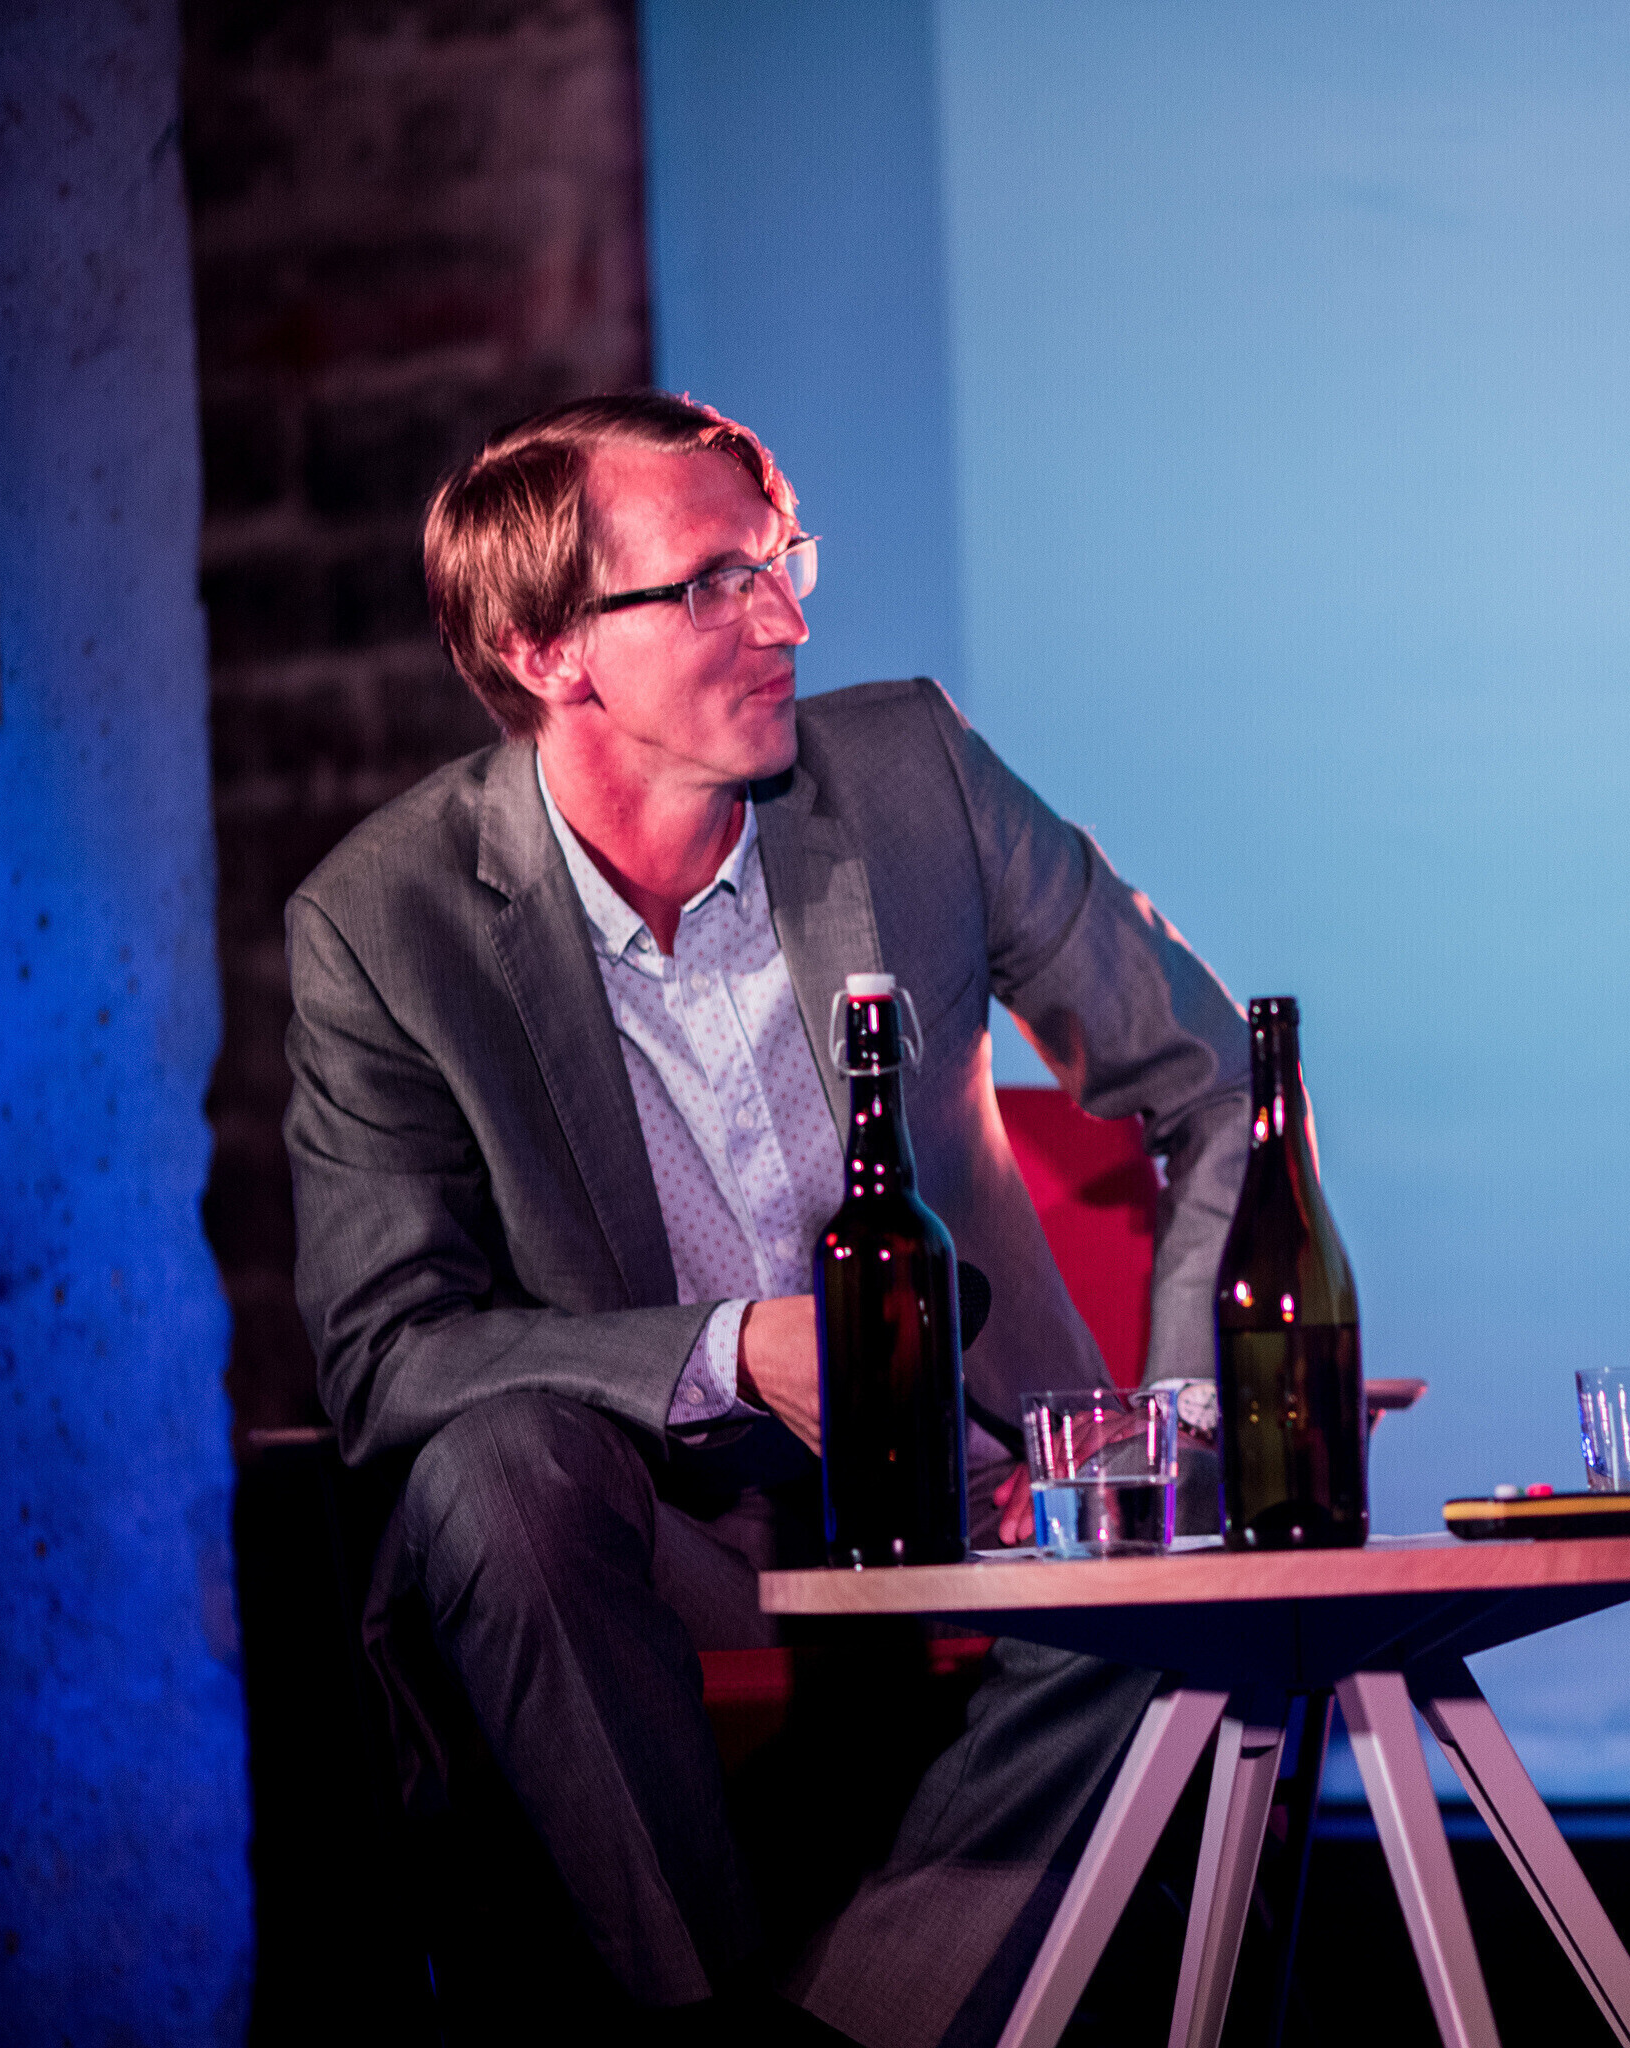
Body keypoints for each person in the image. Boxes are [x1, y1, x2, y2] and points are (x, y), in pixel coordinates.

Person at [284, 391, 1251, 2041]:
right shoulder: (386, 923)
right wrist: (731, 1356)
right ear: (544, 650)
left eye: (782, 560)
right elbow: (387, 1355)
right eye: (711, 585)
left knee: (1149, 1580)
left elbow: (1220, 1083)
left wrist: (1156, 1436)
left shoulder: (911, 774)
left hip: (982, 1499)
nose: (786, 621)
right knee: (488, 1475)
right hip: (668, 1537)